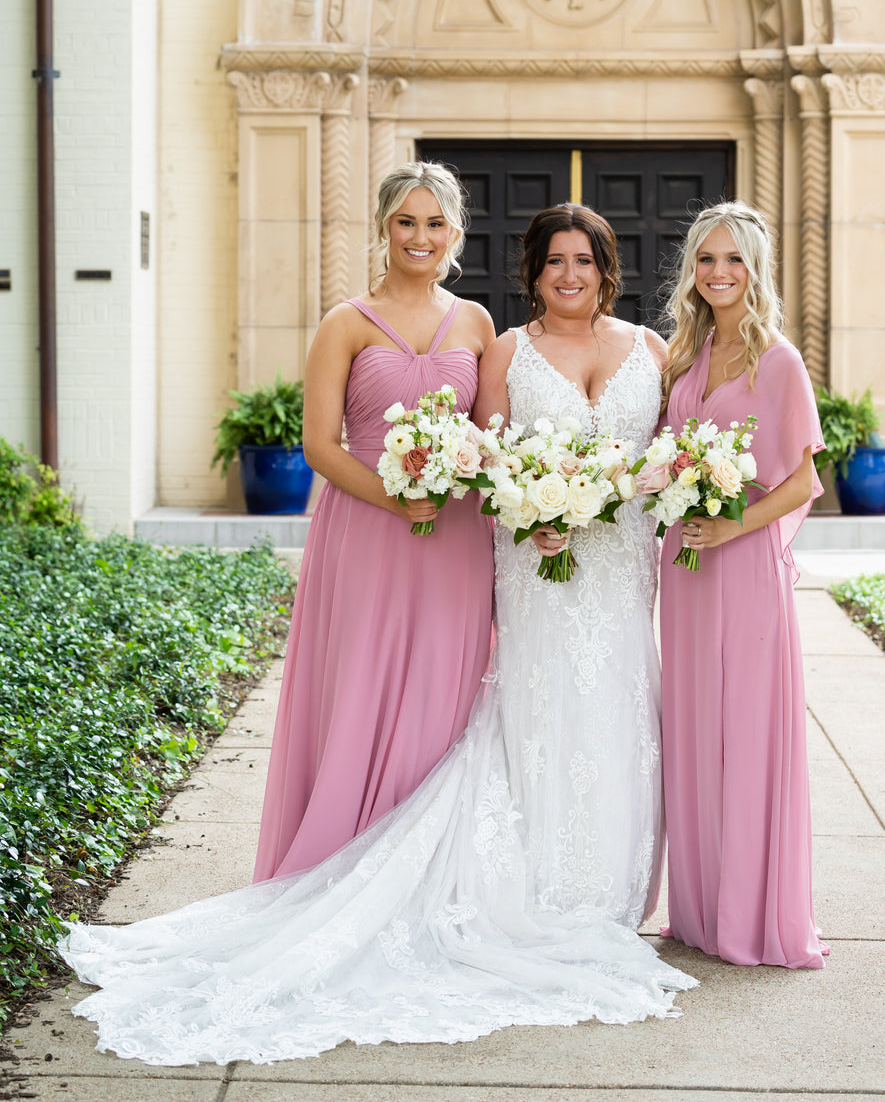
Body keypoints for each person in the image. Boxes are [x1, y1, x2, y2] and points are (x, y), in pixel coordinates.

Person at [58, 203, 694, 1066]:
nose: (569, 275)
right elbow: (495, 453)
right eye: (554, 262)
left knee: (620, 724)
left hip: (619, 576)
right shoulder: (502, 347)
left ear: (608, 268)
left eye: (584, 260)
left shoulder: (652, 351)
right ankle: (534, 891)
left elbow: (672, 451)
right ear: (532, 272)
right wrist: (534, 515)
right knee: (536, 722)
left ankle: (607, 899)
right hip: (538, 571)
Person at [253, 160, 495, 881]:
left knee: (444, 690)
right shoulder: (345, 323)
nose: (420, 236)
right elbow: (319, 445)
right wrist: (395, 497)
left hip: (455, 539)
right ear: (385, 227)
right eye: (405, 221)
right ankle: (342, 853)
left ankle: (423, 869)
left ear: (454, 232)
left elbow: (490, 439)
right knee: (361, 683)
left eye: (434, 222)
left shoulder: (477, 323)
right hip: (364, 528)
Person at [657, 201, 828, 969]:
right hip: (688, 568)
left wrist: (732, 526)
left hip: (744, 563)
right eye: (706, 260)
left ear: (755, 270)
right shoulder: (685, 354)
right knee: (695, 727)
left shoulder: (778, 361)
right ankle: (698, 914)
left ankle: (754, 917)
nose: (719, 273)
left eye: (733, 260)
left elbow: (802, 483)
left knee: (747, 730)